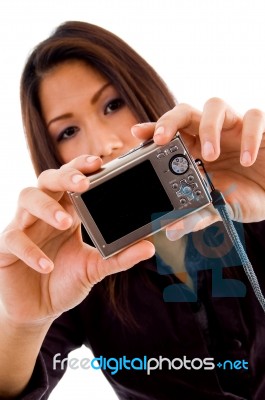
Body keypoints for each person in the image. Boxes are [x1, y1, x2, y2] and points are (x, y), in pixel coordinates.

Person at [0, 20, 265, 400]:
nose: (103, 142)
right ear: (51, 155)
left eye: (112, 104)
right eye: (67, 132)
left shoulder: (247, 199)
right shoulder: (72, 270)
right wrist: (20, 322)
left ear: (145, 96)